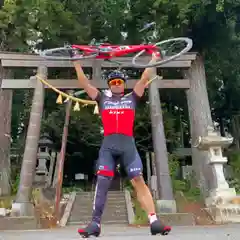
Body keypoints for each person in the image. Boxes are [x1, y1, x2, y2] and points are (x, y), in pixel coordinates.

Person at [72, 54, 171, 238]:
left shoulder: (132, 98)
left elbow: (144, 77)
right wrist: (76, 63)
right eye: (113, 81)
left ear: (124, 84)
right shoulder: (102, 99)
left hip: (128, 145)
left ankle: (154, 221)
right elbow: (85, 83)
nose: (117, 83)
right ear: (109, 85)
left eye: (120, 81)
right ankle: (95, 224)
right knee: (102, 180)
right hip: (108, 146)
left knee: (138, 180)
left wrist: (154, 58)